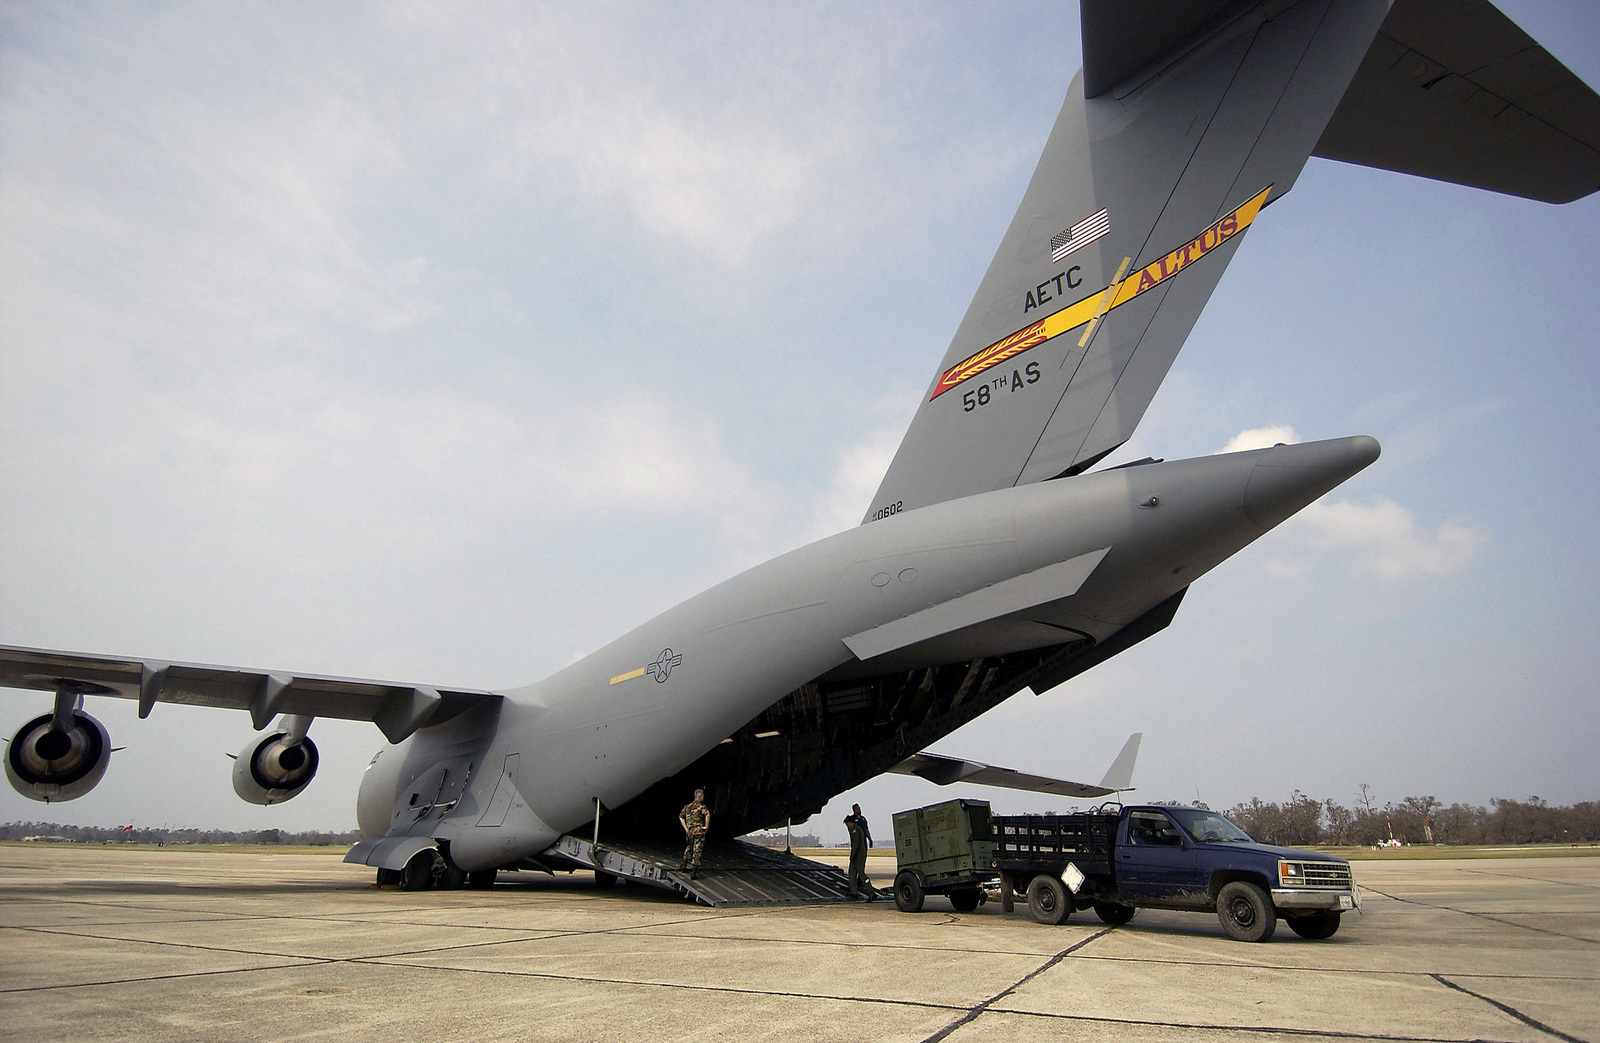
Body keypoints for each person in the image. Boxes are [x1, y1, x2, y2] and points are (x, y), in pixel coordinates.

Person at [844, 803, 874, 900]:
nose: (846, 827)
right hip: (859, 851)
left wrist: (852, 856)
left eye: (847, 824)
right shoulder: (855, 826)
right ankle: (853, 891)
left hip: (859, 852)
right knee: (852, 872)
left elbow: (856, 844)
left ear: (850, 823)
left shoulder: (857, 827)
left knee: (861, 873)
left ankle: (871, 892)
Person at [679, 788, 710, 878]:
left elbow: (681, 817)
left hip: (690, 832)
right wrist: (706, 826)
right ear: (699, 796)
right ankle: (693, 873)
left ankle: (684, 867)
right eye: (702, 795)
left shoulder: (687, 806)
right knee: (697, 851)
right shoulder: (701, 806)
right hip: (699, 832)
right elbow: (707, 814)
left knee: (688, 847)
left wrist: (686, 828)